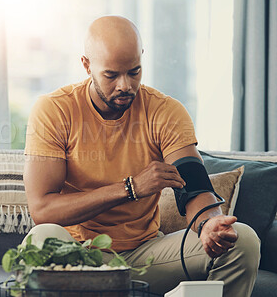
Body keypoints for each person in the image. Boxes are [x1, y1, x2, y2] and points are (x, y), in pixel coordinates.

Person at [23, 15, 260, 296]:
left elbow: (194, 186)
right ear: (87, 65)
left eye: (134, 71)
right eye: (111, 75)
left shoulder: (165, 111)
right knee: (40, 239)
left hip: (147, 257)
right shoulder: (55, 110)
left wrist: (209, 224)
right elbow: (42, 210)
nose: (125, 85)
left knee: (243, 240)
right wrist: (129, 188)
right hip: (81, 257)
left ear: (142, 58)